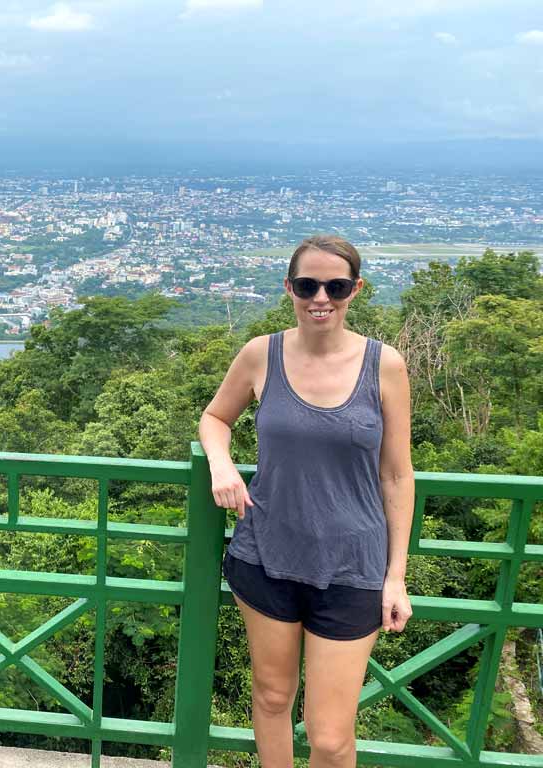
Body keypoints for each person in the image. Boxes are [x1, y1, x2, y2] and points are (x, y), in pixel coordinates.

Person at [198, 234, 415, 768]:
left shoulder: (384, 365)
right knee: (272, 698)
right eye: (307, 285)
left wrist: (396, 575)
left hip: (352, 566)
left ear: (355, 290)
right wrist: (221, 464)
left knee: (331, 738)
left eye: (335, 286)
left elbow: (396, 474)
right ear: (288, 288)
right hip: (267, 553)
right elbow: (214, 417)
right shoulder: (260, 354)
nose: (321, 297)